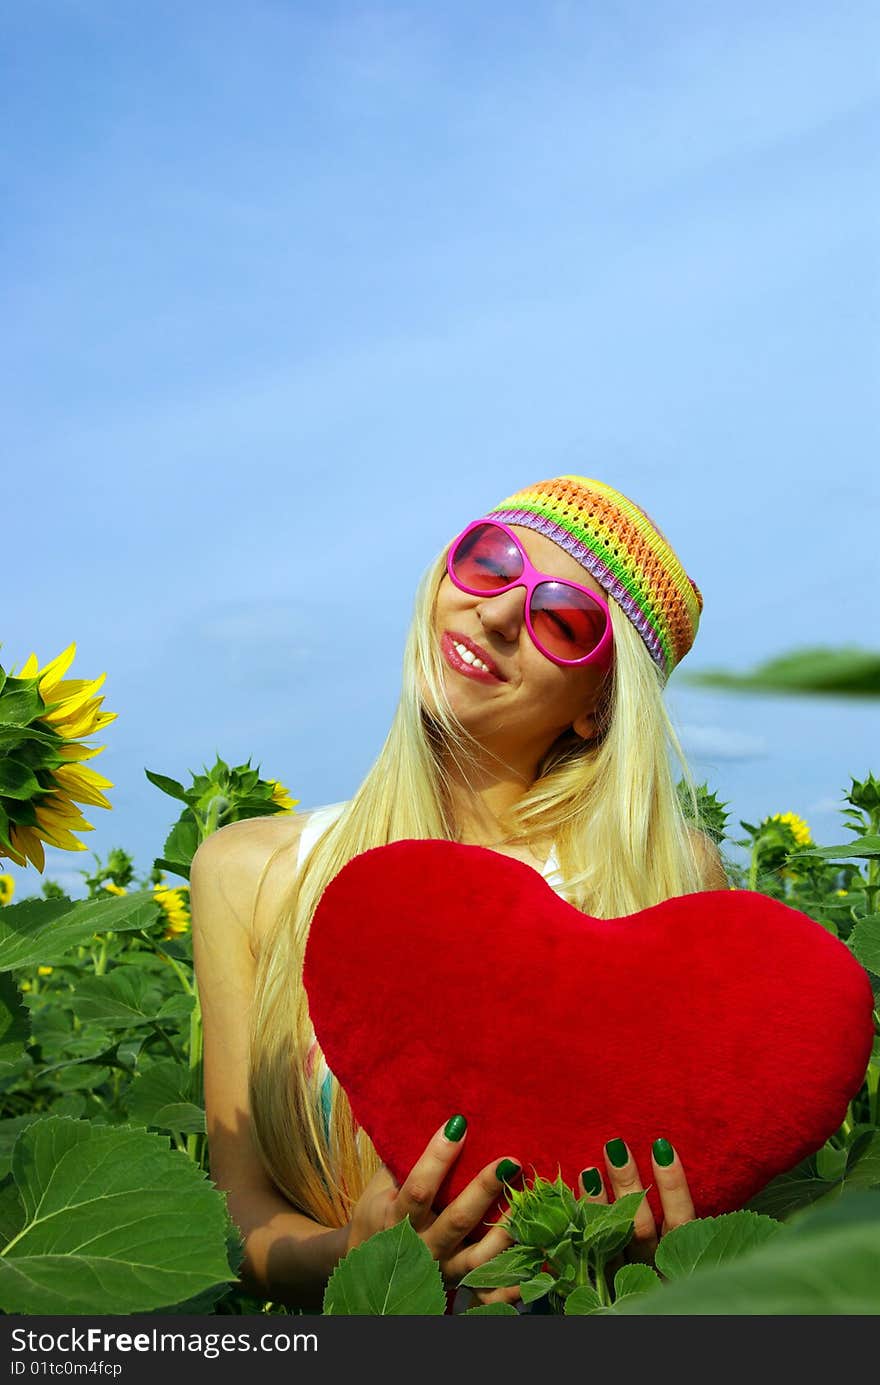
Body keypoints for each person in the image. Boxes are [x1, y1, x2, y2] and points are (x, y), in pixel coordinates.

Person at [190, 474, 730, 1312]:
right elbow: (232, 1213)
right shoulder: (252, 871)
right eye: (489, 561)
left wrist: (663, 1248)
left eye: (563, 620)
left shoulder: (668, 879)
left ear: (598, 709)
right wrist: (353, 1257)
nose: (500, 612)